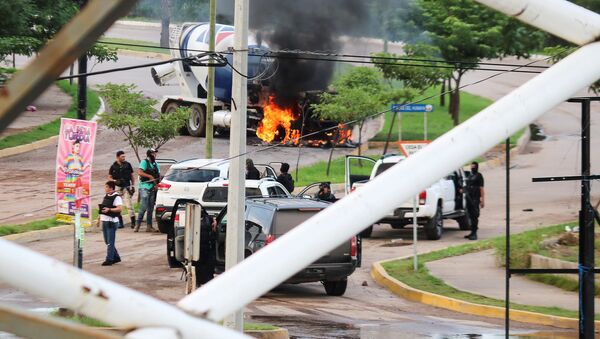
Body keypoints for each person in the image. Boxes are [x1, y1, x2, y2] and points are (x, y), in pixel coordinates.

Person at [109, 150, 136, 229]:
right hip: (118, 188)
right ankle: (120, 222)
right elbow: (109, 177)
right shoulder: (113, 166)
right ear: (118, 157)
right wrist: (114, 181)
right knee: (118, 205)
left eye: (124, 156)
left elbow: (132, 176)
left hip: (126, 187)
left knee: (129, 205)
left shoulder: (128, 165)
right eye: (122, 156)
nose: (124, 158)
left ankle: (133, 222)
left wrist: (133, 185)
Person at [136, 148, 160, 232]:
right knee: (143, 207)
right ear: (149, 154)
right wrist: (150, 176)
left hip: (153, 188)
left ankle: (149, 226)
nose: (155, 155)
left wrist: (157, 184)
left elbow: (158, 175)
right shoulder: (144, 162)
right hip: (145, 187)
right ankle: (137, 225)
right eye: (153, 153)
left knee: (150, 208)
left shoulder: (155, 164)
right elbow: (139, 172)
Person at [100, 181, 122, 266]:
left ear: (111, 188)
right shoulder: (106, 196)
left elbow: (119, 209)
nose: (105, 188)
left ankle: (109, 259)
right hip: (104, 220)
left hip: (111, 222)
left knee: (110, 242)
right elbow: (102, 207)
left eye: (106, 187)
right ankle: (116, 257)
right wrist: (99, 218)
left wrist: (109, 210)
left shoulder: (117, 197)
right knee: (107, 241)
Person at [195, 208, 217, 287]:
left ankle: (207, 281)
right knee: (198, 265)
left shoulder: (208, 219)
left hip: (207, 246)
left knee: (208, 265)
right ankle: (199, 281)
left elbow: (214, 223)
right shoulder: (193, 220)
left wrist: (215, 223)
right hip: (197, 247)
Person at [465, 161, 485, 240]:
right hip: (469, 198)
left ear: (477, 167)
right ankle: (472, 232)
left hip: (475, 199)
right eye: (471, 166)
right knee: (470, 215)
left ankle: (475, 233)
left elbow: (481, 188)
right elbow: (467, 186)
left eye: (474, 166)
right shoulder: (469, 175)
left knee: (475, 215)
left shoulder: (479, 176)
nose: (472, 167)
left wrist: (482, 200)